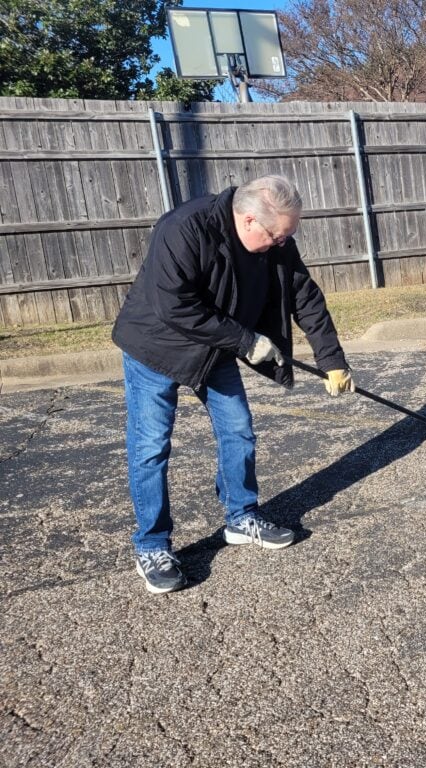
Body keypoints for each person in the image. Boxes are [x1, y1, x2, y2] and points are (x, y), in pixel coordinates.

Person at [112, 175, 355, 594]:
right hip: (155, 346)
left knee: (238, 431)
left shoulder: (275, 238)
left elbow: (304, 294)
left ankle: (241, 517)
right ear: (247, 221)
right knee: (151, 447)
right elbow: (174, 305)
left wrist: (331, 359)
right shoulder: (184, 228)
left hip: (217, 347)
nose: (284, 244)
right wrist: (246, 341)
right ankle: (152, 545)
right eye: (279, 236)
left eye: (288, 236)